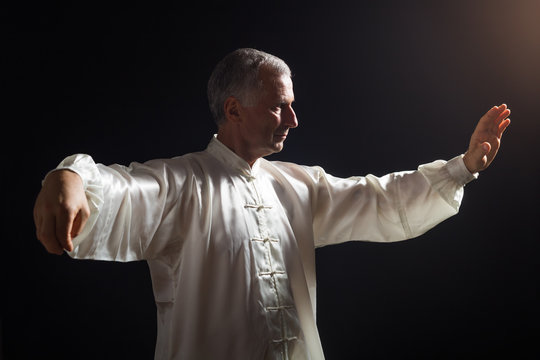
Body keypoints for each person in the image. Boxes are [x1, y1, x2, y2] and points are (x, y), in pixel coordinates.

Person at [33, 48, 511, 360]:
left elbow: (381, 199)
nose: (294, 120)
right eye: (281, 106)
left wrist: (462, 167)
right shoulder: (182, 183)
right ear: (235, 109)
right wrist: (70, 175)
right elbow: (117, 189)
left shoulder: (298, 186)